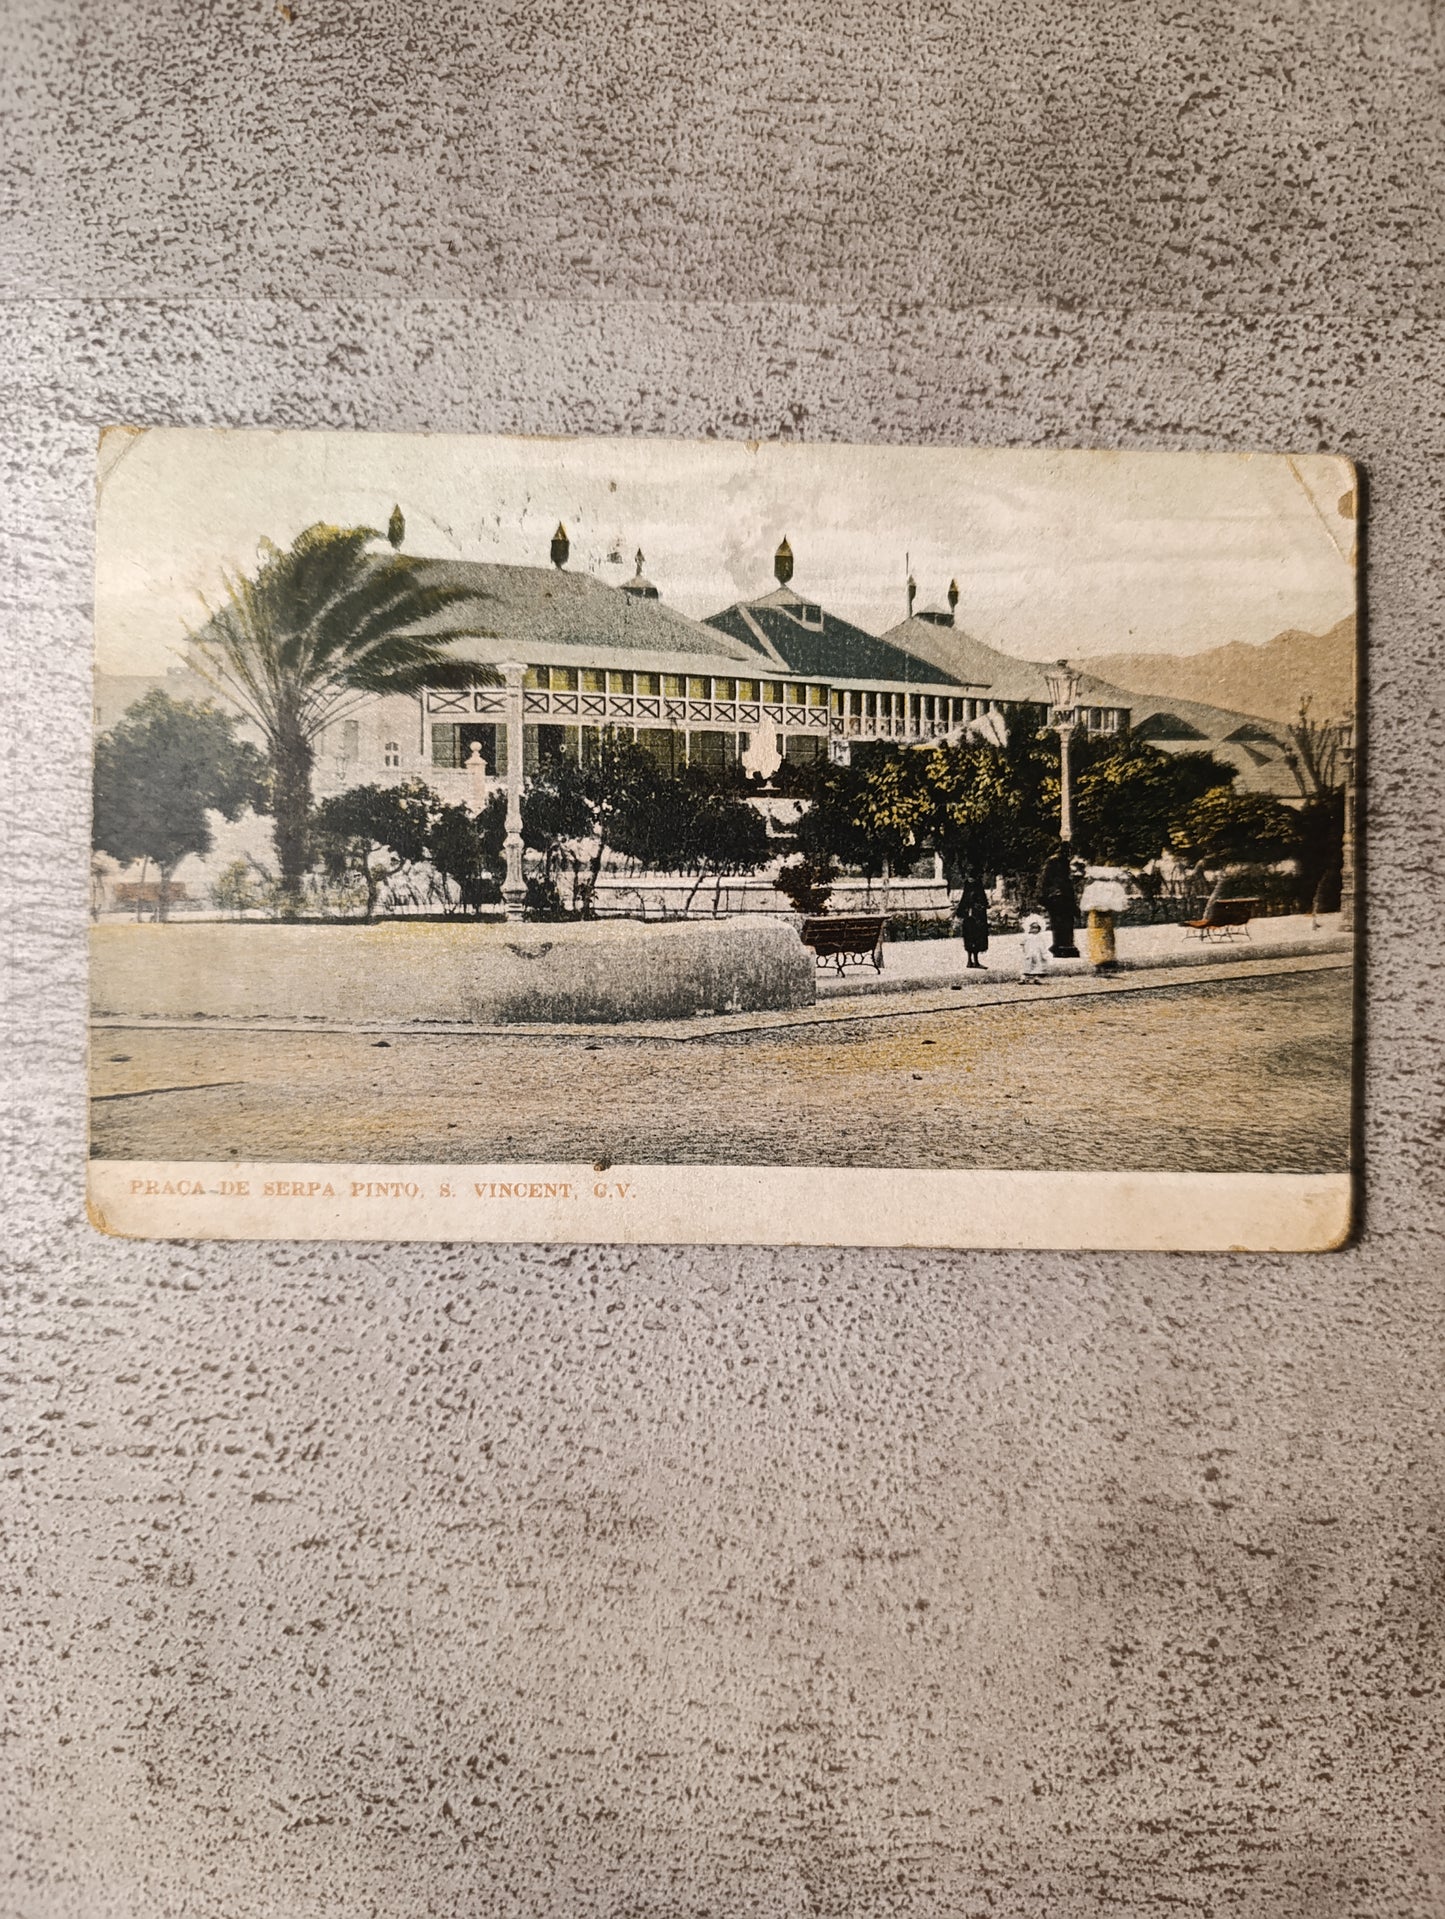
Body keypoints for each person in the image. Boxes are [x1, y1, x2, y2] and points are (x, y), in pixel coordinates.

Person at [1037, 840, 1080, 957]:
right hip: (1059, 895)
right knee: (1062, 921)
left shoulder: (1057, 861)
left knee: (1061, 921)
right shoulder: (1057, 861)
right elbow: (1046, 879)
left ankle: (1063, 946)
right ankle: (1063, 946)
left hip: (1058, 895)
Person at [951, 864, 990, 968]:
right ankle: (975, 961)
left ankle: (969, 960)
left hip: (968, 915)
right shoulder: (977, 885)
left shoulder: (967, 885)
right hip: (977, 915)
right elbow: (982, 900)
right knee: (977, 937)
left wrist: (961, 912)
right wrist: (983, 905)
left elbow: (964, 900)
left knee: (969, 937)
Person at [1018, 910, 1051, 983]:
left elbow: (1043, 946)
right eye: (1033, 927)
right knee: (1026, 966)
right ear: (1029, 928)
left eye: (1036, 928)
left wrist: (1044, 954)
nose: (1034, 929)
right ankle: (1023, 978)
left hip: (1037, 954)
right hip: (1029, 954)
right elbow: (1022, 943)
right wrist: (1023, 950)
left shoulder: (1040, 936)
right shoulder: (1027, 936)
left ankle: (1037, 978)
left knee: (1037, 966)